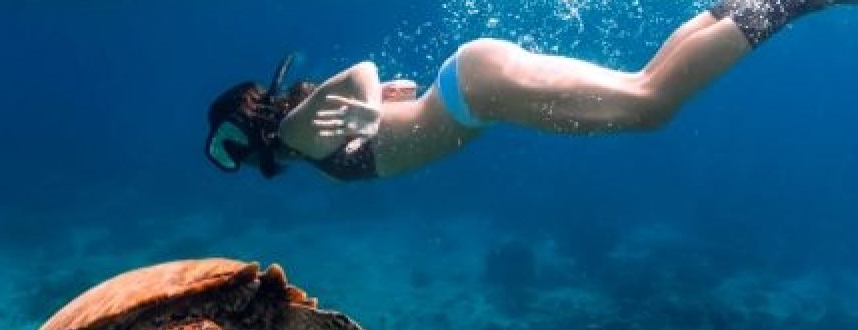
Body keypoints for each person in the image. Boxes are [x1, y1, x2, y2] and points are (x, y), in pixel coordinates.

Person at [205, 0, 853, 181]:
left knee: (652, 105)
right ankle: (737, 9)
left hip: (478, 94)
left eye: (228, 150)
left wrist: (374, 102)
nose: (236, 160)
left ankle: (786, 4)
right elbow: (379, 95)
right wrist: (386, 107)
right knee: (645, 92)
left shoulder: (291, 135)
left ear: (248, 126)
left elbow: (365, 75)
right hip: (473, 89)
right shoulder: (302, 135)